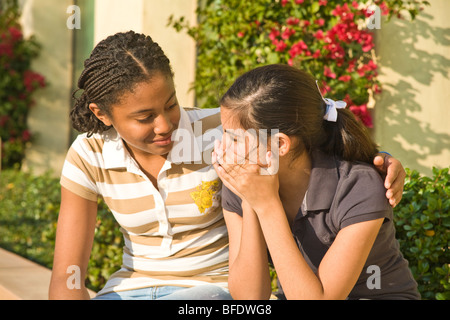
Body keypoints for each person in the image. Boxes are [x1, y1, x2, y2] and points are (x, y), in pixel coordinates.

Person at [49, 31, 406, 300]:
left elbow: (310, 131)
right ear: (102, 114)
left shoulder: (224, 134)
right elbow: (68, 272)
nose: (165, 125)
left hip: (208, 292)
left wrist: (380, 161)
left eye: (170, 104)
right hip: (129, 288)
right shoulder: (239, 162)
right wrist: (253, 198)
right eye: (144, 117)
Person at [212, 64, 420, 300]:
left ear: (280, 144)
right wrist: (251, 201)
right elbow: (249, 299)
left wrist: (268, 207)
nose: (223, 149)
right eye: (223, 135)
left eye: (235, 139)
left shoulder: (358, 186)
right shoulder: (241, 180)